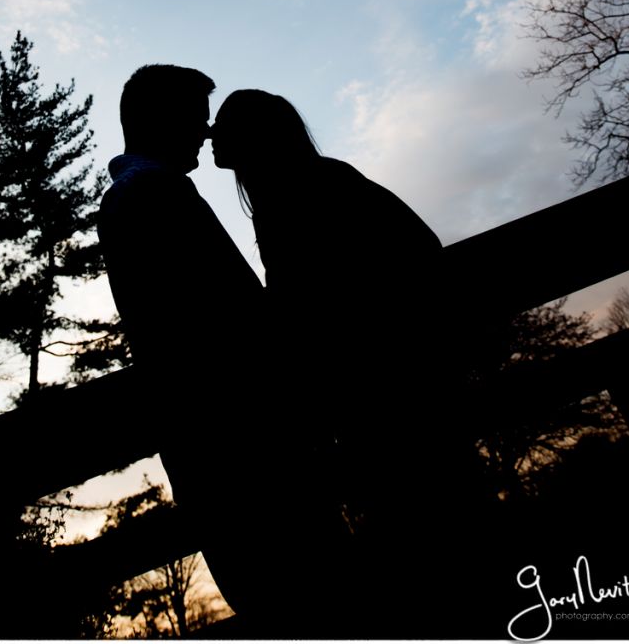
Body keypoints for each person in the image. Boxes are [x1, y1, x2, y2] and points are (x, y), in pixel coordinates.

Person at [210, 89, 482, 635]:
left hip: (389, 394)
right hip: (383, 393)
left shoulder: (306, 188)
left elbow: (403, 257)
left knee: (437, 536)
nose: (212, 134)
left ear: (254, 137)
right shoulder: (295, 188)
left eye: (224, 125)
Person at [97, 66, 346, 634]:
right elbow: (223, 323)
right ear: (159, 119)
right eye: (193, 116)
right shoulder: (151, 196)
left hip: (221, 447)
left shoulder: (142, 195)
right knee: (308, 598)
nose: (205, 131)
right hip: (244, 446)